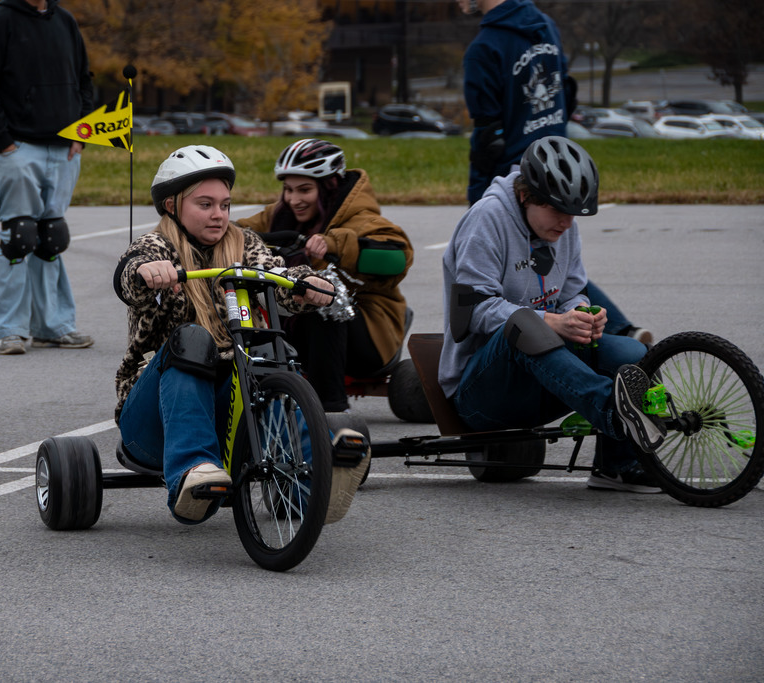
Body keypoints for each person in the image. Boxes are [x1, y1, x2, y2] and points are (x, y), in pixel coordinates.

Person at [112, 145, 355, 524]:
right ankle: (193, 472)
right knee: (192, 339)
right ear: (173, 206)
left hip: (229, 410)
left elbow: (276, 275)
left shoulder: (244, 244)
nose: (218, 215)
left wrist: (306, 283)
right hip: (153, 418)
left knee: (270, 357)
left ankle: (314, 480)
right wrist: (146, 271)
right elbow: (129, 277)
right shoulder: (155, 246)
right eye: (205, 204)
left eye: (224, 205)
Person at [439, 136, 665, 493]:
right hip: (481, 393)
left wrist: (581, 315)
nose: (566, 224)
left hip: (543, 378)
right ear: (527, 195)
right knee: (525, 325)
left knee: (632, 353)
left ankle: (617, 466)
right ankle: (614, 412)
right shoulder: (486, 219)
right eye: (558, 211)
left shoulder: (564, 229)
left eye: (574, 214)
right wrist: (550, 321)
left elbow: (573, 291)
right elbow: (473, 311)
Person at [456, 0, 652, 344]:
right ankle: (623, 331)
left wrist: (479, 198)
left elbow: (488, 137)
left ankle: (604, 333)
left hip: (518, 176)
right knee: (555, 271)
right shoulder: (545, 25)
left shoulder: (483, 48)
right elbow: (568, 91)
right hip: (557, 159)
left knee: (524, 276)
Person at [236, 139, 414, 412]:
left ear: (328, 186)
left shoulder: (361, 218)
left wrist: (336, 245)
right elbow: (236, 231)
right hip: (298, 331)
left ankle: (330, 412)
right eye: (288, 190)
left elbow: (397, 259)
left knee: (322, 301)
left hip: (367, 336)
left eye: (304, 190)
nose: (294, 199)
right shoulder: (279, 215)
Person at [0, 0, 96, 355]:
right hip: (19, 146)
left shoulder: (66, 21)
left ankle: (53, 326)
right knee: (18, 236)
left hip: (65, 149)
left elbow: (85, 80)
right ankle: (9, 329)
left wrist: (81, 133)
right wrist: (4, 142)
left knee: (50, 238)